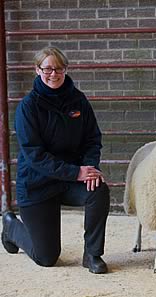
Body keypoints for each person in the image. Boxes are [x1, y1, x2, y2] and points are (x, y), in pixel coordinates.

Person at [1, 46, 110, 274]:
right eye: (48, 68)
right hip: (37, 183)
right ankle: (11, 227)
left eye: (59, 68)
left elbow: (92, 139)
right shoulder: (28, 107)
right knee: (46, 257)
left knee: (98, 190)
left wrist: (89, 168)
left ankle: (92, 254)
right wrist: (76, 172)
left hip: (69, 180)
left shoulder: (78, 101)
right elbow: (34, 156)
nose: (54, 73)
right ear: (37, 70)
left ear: (65, 69)